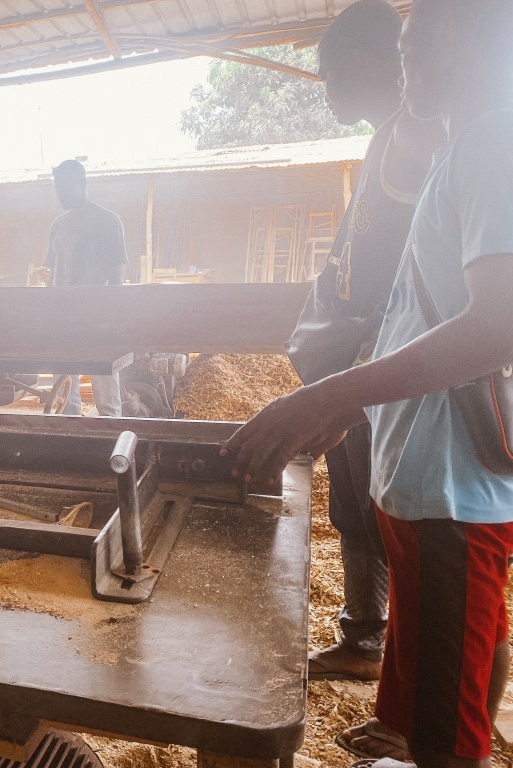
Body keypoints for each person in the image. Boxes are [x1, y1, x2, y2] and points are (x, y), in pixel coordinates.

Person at [223, 3, 513, 767]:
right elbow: (422, 309)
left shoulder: (493, 141)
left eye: (416, 38)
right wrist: (356, 403)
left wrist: (333, 395)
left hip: (452, 490)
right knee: (436, 702)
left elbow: (498, 324)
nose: (404, 49)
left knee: (447, 738)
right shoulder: (460, 148)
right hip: (427, 484)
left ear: (465, 37)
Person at [288, 0, 444, 700]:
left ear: (373, 62)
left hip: (385, 370)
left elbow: (418, 277)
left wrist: (358, 375)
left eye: (332, 75)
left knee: (398, 519)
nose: (327, 92)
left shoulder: (419, 140)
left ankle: (407, 680)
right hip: (359, 363)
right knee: (356, 506)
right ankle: (364, 637)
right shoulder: (387, 141)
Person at [44, 159, 127, 417]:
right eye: (57, 188)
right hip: (62, 319)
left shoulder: (108, 221)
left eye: (65, 187)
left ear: (82, 184)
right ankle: (70, 436)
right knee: (65, 396)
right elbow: (52, 275)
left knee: (106, 396)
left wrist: (114, 321)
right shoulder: (58, 226)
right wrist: (46, 313)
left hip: (97, 320)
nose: (60, 193)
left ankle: (112, 438)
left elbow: (116, 279)